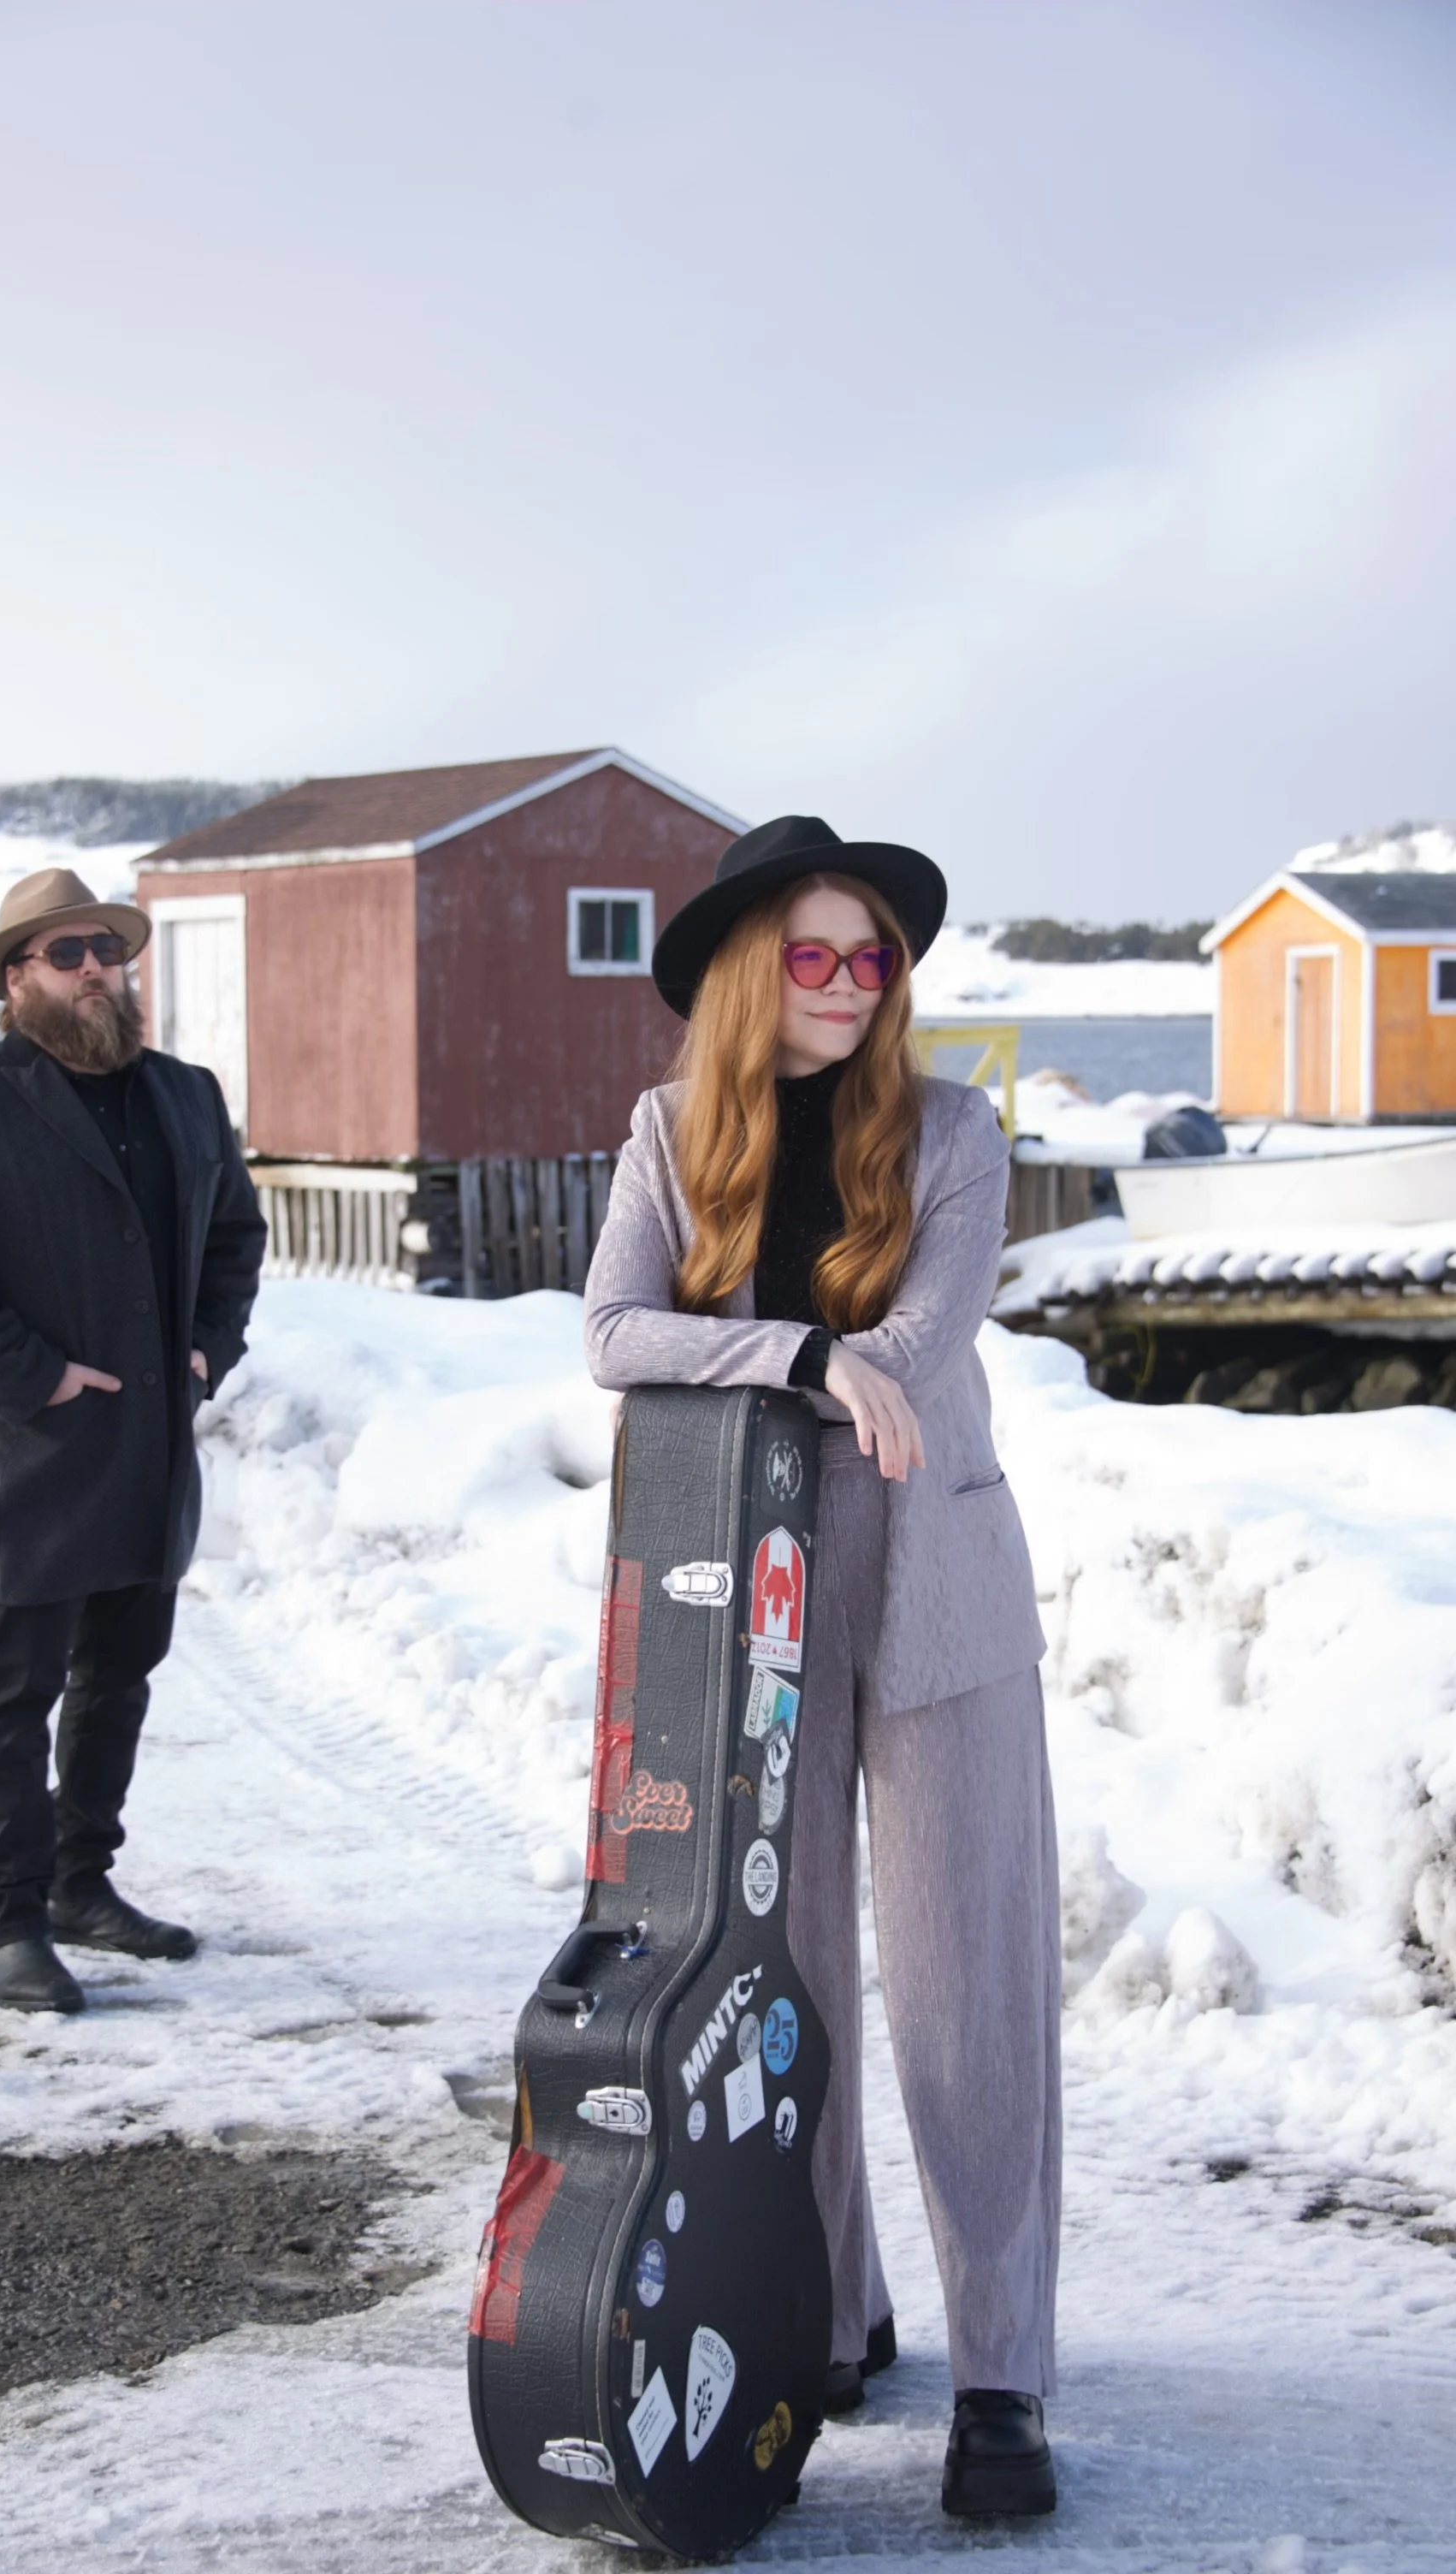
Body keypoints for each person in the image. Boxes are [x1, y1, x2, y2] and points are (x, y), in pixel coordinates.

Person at [583, 815, 1059, 2520]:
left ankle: (997, 2367)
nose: (852, 983)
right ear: (738, 974)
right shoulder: (664, 1129)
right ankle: (835, 2313)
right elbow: (610, 1332)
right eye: (814, 954)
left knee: (962, 1994)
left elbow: (925, 1341)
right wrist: (793, 1349)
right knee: (778, 1990)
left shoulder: (947, 1128)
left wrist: (844, 1364)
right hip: (748, 1600)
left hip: (932, 1582)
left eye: (874, 956)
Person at [0, 866, 266, 2016]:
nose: (96, 968)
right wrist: (34, 1373)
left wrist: (208, 1349)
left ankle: (83, 1884)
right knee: (14, 1688)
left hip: (152, 1446)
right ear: (15, 980)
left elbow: (235, 1235)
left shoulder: (186, 1095)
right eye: (66, 953)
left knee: (120, 1674)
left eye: (106, 947)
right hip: (35, 1451)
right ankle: (11, 1918)